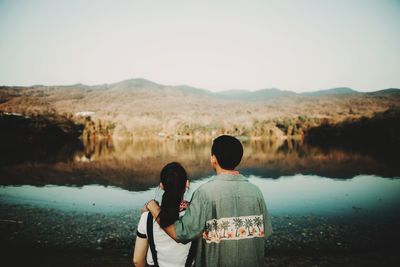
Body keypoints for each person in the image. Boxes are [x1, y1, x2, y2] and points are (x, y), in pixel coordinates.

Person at [146, 135, 273, 267]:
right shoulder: (255, 192)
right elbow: (265, 233)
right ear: (238, 159)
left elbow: (180, 233)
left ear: (213, 159)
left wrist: (154, 207)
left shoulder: (204, 193)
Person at [133, 162, 196, 267]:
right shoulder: (195, 215)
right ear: (187, 184)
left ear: (161, 185)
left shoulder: (147, 218)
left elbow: (137, 260)